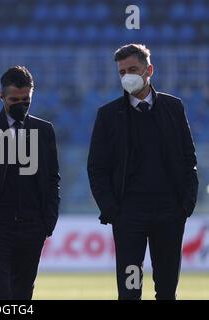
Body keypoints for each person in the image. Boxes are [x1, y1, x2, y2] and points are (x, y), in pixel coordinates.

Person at [87, 44, 198, 300]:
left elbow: (187, 158)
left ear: (149, 70)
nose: (127, 76)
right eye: (122, 71)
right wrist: (113, 209)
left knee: (167, 290)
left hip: (170, 214)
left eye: (133, 69)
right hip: (129, 216)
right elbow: (97, 167)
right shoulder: (108, 115)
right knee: (129, 291)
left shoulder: (173, 108)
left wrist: (185, 205)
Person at [0, 66, 60, 300]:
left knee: (23, 293)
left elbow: (52, 178)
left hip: (32, 226)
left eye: (26, 99)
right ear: (1, 96)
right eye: (14, 99)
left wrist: (47, 220)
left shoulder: (44, 131)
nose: (21, 104)